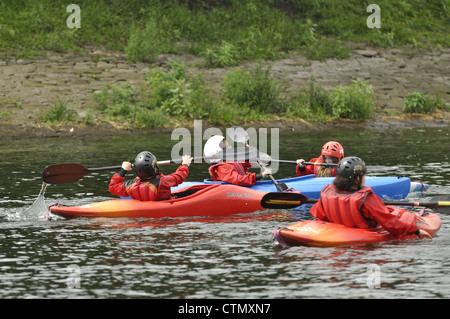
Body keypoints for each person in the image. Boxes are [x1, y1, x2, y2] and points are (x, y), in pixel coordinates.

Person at [310, 156, 432, 239]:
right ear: (358, 178)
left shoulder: (326, 191)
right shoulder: (365, 198)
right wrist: (416, 231)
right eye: (363, 175)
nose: (365, 179)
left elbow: (318, 215)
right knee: (406, 216)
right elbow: (391, 224)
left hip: (336, 236)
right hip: (363, 240)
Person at [109, 151, 193, 201]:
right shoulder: (162, 182)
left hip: (144, 207)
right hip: (164, 205)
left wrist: (123, 171)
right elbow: (179, 177)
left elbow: (113, 187)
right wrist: (185, 164)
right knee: (191, 192)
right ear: (155, 169)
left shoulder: (130, 186)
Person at [204, 135, 272, 186]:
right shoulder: (222, 168)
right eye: (224, 144)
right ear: (217, 151)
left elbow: (242, 168)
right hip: (231, 192)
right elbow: (239, 180)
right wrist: (261, 176)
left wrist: (247, 157)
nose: (228, 144)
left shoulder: (228, 162)